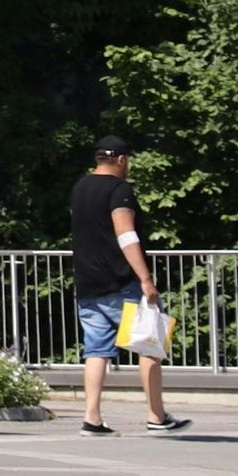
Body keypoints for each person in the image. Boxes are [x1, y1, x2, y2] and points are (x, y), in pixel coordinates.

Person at [71, 134, 189, 436]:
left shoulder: (80, 187)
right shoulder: (119, 190)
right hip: (122, 281)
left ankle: (92, 418)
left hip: (88, 282)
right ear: (122, 160)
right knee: (149, 344)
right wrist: (146, 279)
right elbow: (126, 235)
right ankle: (156, 416)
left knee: (96, 350)